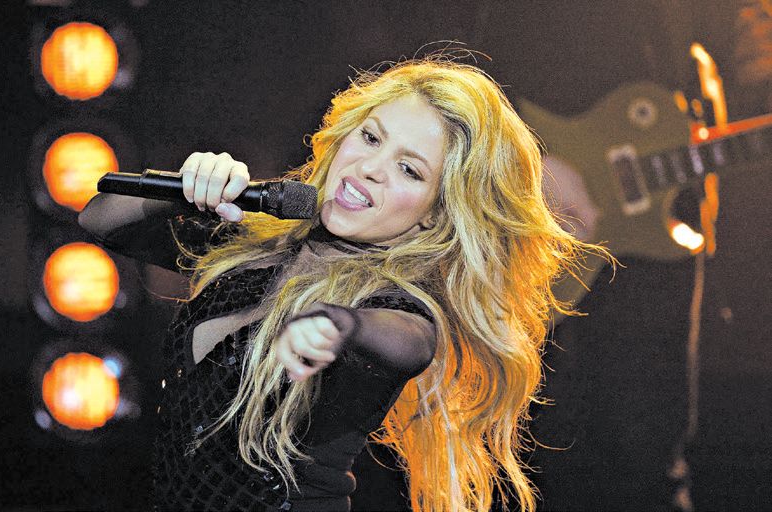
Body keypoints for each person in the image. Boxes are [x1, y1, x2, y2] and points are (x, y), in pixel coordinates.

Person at [79, 57, 597, 512]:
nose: (369, 168)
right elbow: (98, 219)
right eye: (370, 137)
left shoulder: (398, 306)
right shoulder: (257, 244)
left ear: (434, 214)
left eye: (409, 170)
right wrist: (187, 187)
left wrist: (338, 324)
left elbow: (408, 341)